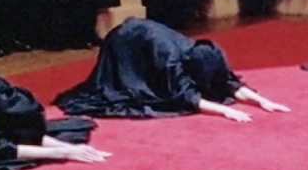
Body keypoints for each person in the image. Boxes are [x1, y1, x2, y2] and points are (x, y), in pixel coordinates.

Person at [55, 17, 290, 122]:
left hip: (149, 39)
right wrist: (224, 111)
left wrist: (262, 101)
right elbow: (188, 97)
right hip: (126, 42)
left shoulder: (206, 53)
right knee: (136, 88)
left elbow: (227, 82)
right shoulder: (172, 61)